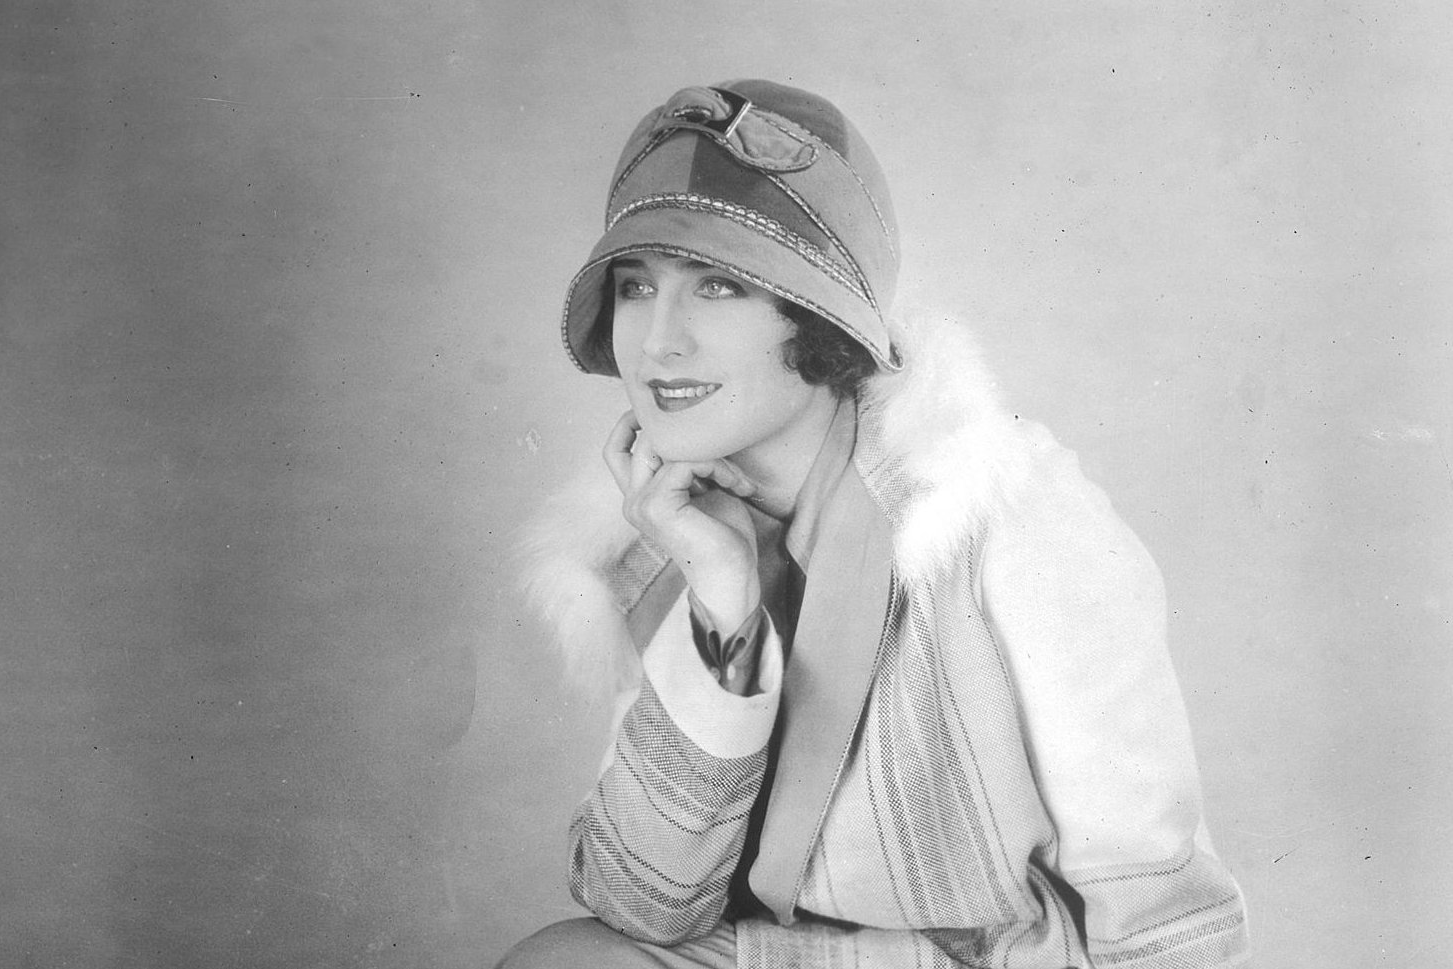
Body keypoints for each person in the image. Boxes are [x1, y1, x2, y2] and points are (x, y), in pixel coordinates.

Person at [503, 80, 1249, 968]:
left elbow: (1152, 887)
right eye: (635, 287)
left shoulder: (1003, 505)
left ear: (816, 315)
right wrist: (721, 604)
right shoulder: (662, 536)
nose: (658, 341)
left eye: (717, 286)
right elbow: (644, 908)